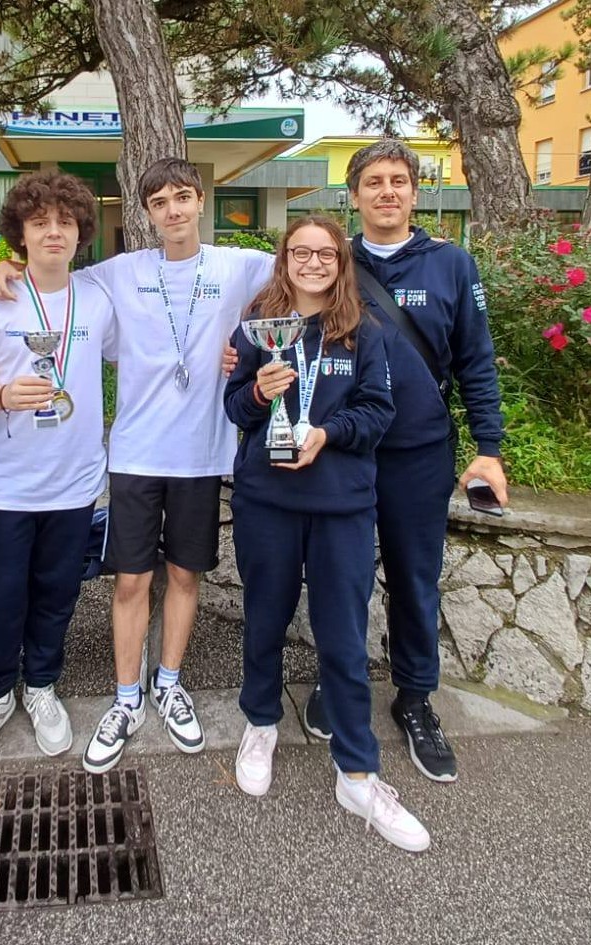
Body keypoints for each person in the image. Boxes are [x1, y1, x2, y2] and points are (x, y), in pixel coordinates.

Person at [0, 158, 275, 773]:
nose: (173, 210)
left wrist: (249, 349)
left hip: (201, 453)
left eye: (182, 197)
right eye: (159, 202)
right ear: (146, 213)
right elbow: (50, 274)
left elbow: (313, 266)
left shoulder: (240, 266)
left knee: (186, 576)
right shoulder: (119, 273)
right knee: (130, 582)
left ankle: (168, 684)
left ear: (201, 200)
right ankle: (126, 698)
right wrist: (5, 264)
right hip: (136, 453)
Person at [300, 139, 508, 783]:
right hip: (346, 452)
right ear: (354, 195)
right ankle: (339, 678)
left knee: (415, 580)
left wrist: (490, 450)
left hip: (419, 453)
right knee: (343, 577)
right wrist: (240, 356)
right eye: (374, 181)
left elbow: (476, 361)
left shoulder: (452, 264)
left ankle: (415, 697)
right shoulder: (334, 262)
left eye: (398, 180)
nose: (387, 191)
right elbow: (286, 329)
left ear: (415, 193)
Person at [226, 214, 431, 852]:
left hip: (341, 505)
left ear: (340, 262)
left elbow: (377, 413)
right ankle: (261, 723)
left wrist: (326, 434)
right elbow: (234, 407)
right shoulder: (258, 324)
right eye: (300, 252)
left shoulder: (363, 331)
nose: (312, 262)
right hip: (267, 501)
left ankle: (357, 771)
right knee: (264, 619)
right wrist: (258, 394)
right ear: (284, 258)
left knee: (343, 637)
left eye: (325, 253)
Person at [0, 172, 116, 771]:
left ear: (80, 232)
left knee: (56, 592)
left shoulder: (98, 298)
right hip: (6, 484)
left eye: (65, 222)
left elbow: (140, 352)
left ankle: (42, 685)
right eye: (40, 221)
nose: (54, 232)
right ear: (19, 233)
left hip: (75, 481)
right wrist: (1, 397)